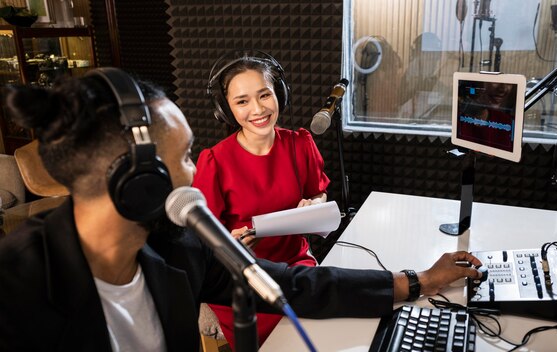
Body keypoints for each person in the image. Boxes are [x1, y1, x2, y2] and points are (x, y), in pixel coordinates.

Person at [0, 67, 483, 351]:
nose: (194, 173)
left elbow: (293, 283)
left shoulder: (176, 250)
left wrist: (417, 280)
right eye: (185, 156)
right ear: (139, 181)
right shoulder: (13, 289)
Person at [194, 53, 329, 345]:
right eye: (242, 101)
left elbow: (318, 192)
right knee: (281, 342)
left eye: (264, 95)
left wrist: (315, 206)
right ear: (226, 109)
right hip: (243, 278)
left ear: (278, 94)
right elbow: (199, 241)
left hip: (295, 265)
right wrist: (229, 242)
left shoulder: (300, 144)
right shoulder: (215, 162)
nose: (257, 109)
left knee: (322, 330)